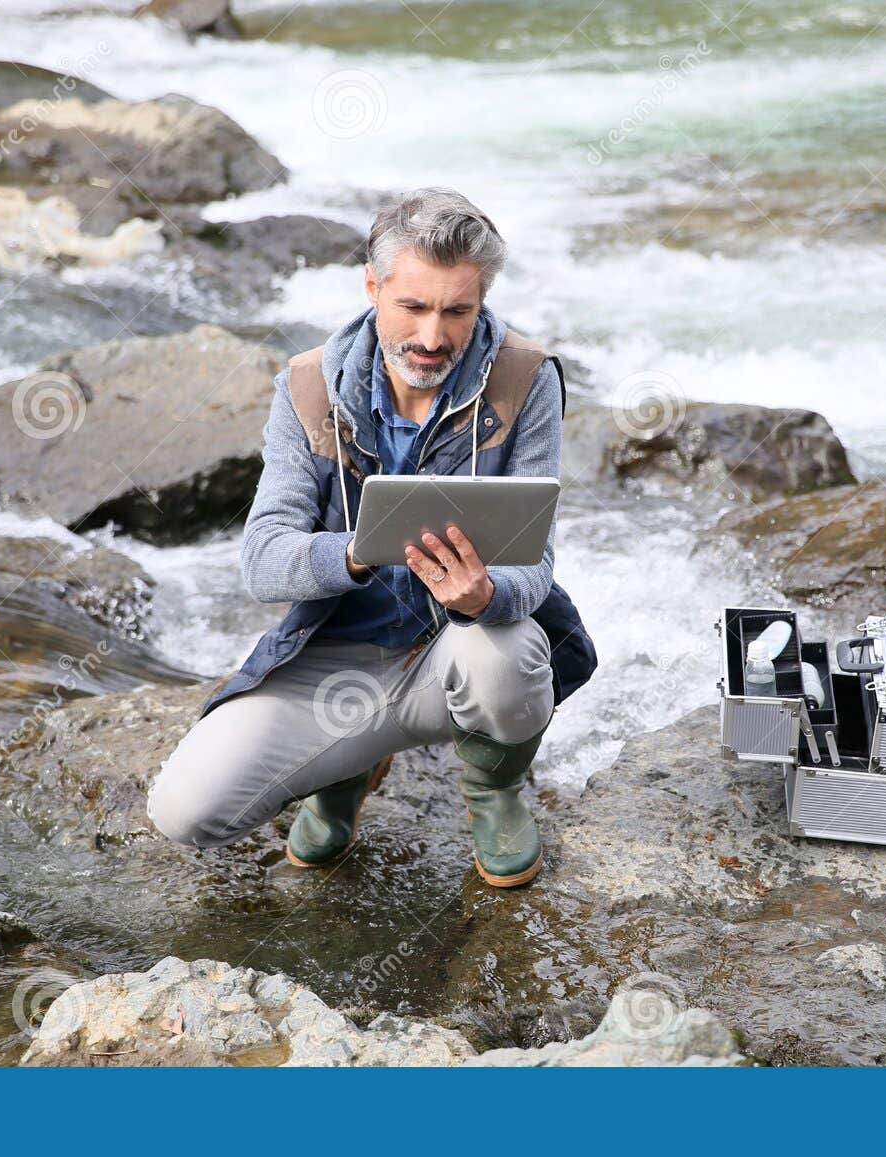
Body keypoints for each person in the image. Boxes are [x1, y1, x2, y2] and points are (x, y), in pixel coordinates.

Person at [146, 187, 596, 887]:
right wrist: (356, 551)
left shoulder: (525, 379)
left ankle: (493, 788)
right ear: (372, 285)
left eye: (457, 311)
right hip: (338, 659)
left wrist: (486, 595)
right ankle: (346, 771)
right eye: (412, 307)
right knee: (184, 810)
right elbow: (263, 561)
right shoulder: (307, 387)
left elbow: (535, 566)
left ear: (481, 300)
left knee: (505, 649)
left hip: (460, 649)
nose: (432, 337)